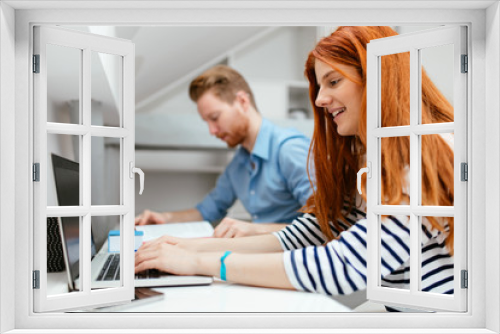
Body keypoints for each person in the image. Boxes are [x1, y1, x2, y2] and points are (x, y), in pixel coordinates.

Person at [134, 26, 456, 302]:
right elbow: (315, 229)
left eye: (333, 82)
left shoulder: (425, 150)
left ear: (378, 77)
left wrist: (200, 261)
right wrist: (190, 248)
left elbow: (345, 265)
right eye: (320, 86)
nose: (319, 100)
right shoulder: (370, 156)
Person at [135, 65, 312, 238]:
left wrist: (254, 230)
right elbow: (206, 211)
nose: (212, 130)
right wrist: (165, 218)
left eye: (215, 118)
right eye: (207, 122)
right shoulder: (238, 164)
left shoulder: (289, 150)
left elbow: (325, 225)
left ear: (242, 102)